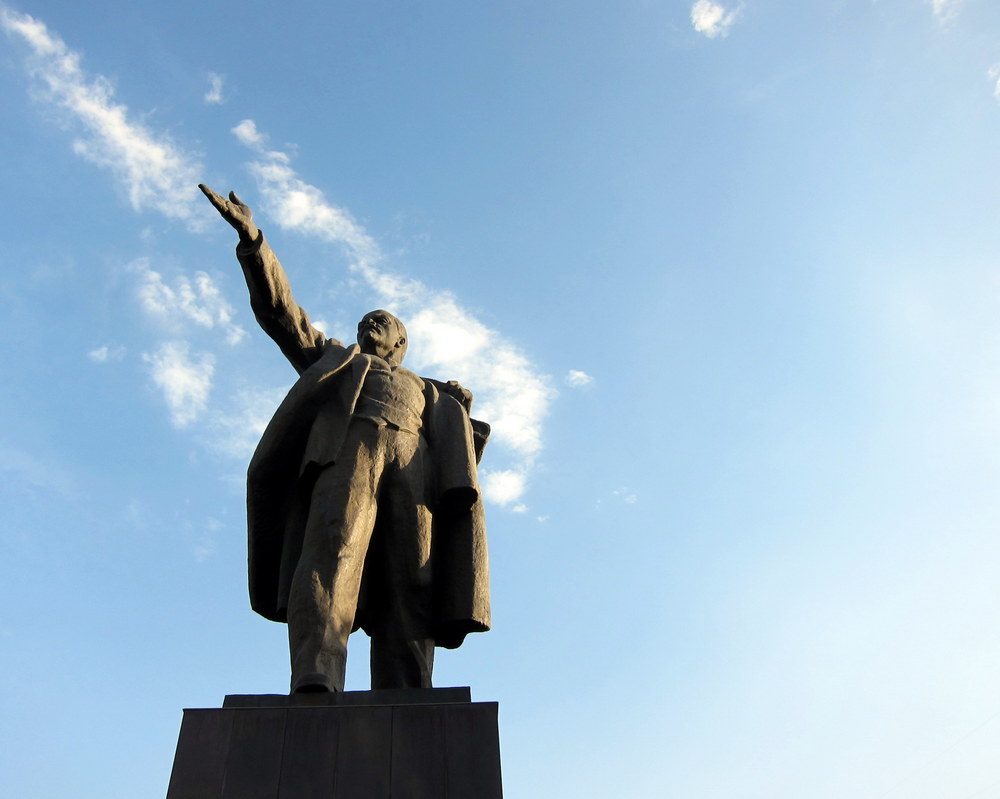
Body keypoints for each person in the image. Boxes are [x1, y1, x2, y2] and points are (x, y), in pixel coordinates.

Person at [200, 185, 490, 693]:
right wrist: (254, 243)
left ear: (400, 342)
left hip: (414, 466)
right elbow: (282, 315)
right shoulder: (337, 359)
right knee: (332, 554)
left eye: (379, 321)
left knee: (413, 576)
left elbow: (460, 462)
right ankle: (318, 672)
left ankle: (407, 688)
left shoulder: (430, 390)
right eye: (363, 320)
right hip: (347, 453)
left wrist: (460, 413)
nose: (366, 324)